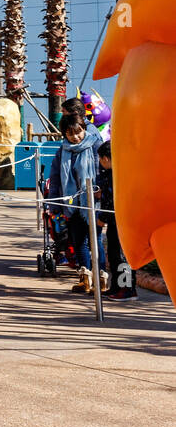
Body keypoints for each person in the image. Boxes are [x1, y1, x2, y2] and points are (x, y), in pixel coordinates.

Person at [47, 113, 101, 293]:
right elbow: (54, 178)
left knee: (96, 240)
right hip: (72, 204)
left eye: (78, 132)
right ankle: (85, 278)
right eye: (70, 134)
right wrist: (54, 205)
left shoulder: (95, 146)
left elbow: (104, 172)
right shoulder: (62, 151)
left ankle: (100, 278)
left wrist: (104, 195)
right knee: (79, 242)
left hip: (94, 202)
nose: (75, 137)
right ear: (64, 134)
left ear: (84, 129)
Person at [95, 142, 135, 300]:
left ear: (105, 158)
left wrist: (102, 218)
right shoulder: (110, 173)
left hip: (122, 221)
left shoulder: (117, 175)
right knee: (113, 254)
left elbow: (111, 201)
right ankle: (116, 286)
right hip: (114, 222)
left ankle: (127, 289)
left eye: (100, 158)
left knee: (121, 255)